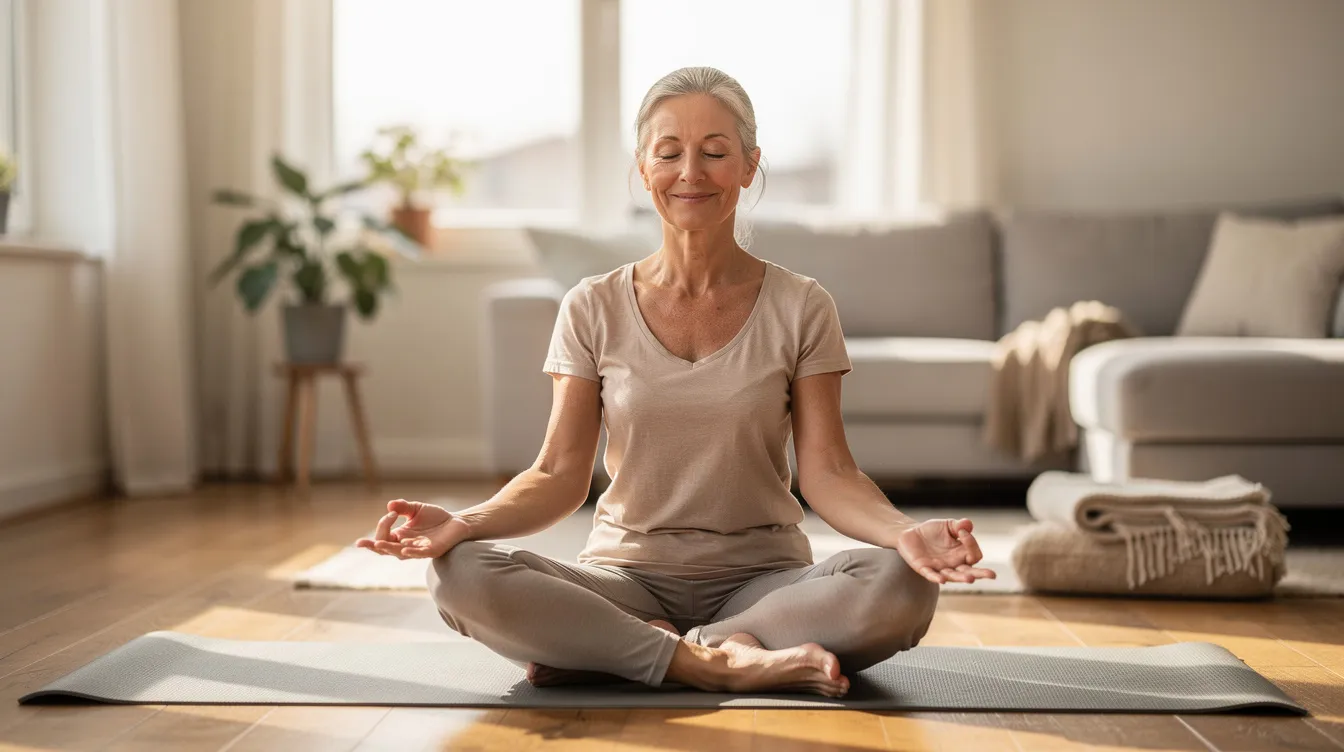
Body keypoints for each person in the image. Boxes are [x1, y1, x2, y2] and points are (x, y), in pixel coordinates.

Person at [356, 66, 995, 697]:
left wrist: (904, 533)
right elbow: (557, 475)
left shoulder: (802, 305)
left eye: (715, 152)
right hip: (624, 580)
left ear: (749, 167)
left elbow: (828, 473)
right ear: (644, 170)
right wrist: (464, 524)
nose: (691, 172)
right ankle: (718, 661)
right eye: (669, 153)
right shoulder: (591, 306)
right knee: (459, 573)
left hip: (765, 582)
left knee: (904, 583)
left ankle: (636, 650)